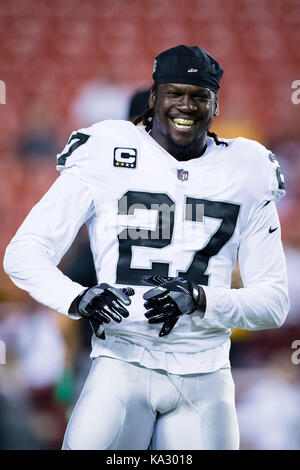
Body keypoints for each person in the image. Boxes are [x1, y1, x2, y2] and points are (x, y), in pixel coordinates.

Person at [3, 45, 289, 450]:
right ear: (153, 97)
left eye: (199, 96)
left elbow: (274, 304)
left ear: (216, 104)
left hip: (205, 372)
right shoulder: (105, 148)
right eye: (175, 93)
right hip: (121, 361)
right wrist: (78, 298)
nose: (186, 106)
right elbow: (23, 252)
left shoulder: (248, 167)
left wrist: (201, 298)